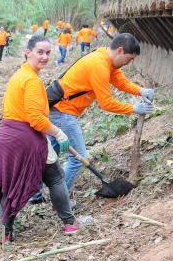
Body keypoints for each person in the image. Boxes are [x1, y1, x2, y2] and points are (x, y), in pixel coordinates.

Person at [0, 34, 78, 244]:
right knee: (55, 177)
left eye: (48, 53)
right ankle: (70, 223)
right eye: (40, 52)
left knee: (11, 185)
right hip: (25, 138)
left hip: (6, 136)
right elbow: (36, 119)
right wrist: (58, 132)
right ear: (27, 52)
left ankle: (4, 235)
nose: (44, 57)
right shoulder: (32, 80)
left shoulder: (18, 75)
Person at [47, 32, 154, 201]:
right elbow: (106, 103)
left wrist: (140, 91)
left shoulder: (107, 60)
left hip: (59, 111)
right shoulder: (99, 65)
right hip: (62, 113)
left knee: (47, 156)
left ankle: (35, 194)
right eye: (129, 58)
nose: (129, 63)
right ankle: (61, 200)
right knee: (77, 159)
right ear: (120, 50)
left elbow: (121, 82)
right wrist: (134, 108)